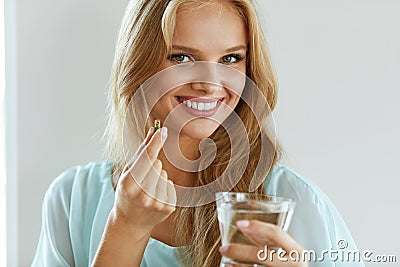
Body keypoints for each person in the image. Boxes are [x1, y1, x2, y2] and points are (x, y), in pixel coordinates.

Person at [32, 0, 365, 266]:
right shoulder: (73, 200)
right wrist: (126, 228)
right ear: (137, 63)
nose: (210, 83)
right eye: (182, 57)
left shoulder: (293, 202)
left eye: (231, 58)